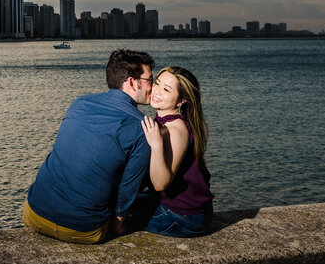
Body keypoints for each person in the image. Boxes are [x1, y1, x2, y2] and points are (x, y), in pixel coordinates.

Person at [23, 50, 155, 243]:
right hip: (82, 230)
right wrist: (119, 223)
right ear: (132, 82)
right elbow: (129, 188)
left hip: (33, 215)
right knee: (156, 201)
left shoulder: (80, 103)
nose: (153, 87)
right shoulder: (141, 127)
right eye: (150, 80)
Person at [139, 66, 214, 237]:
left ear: (181, 101)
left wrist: (156, 144)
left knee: (113, 222)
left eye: (166, 89)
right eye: (157, 83)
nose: (157, 91)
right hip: (186, 210)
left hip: (183, 216)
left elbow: (160, 183)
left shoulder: (174, 129)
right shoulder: (165, 121)